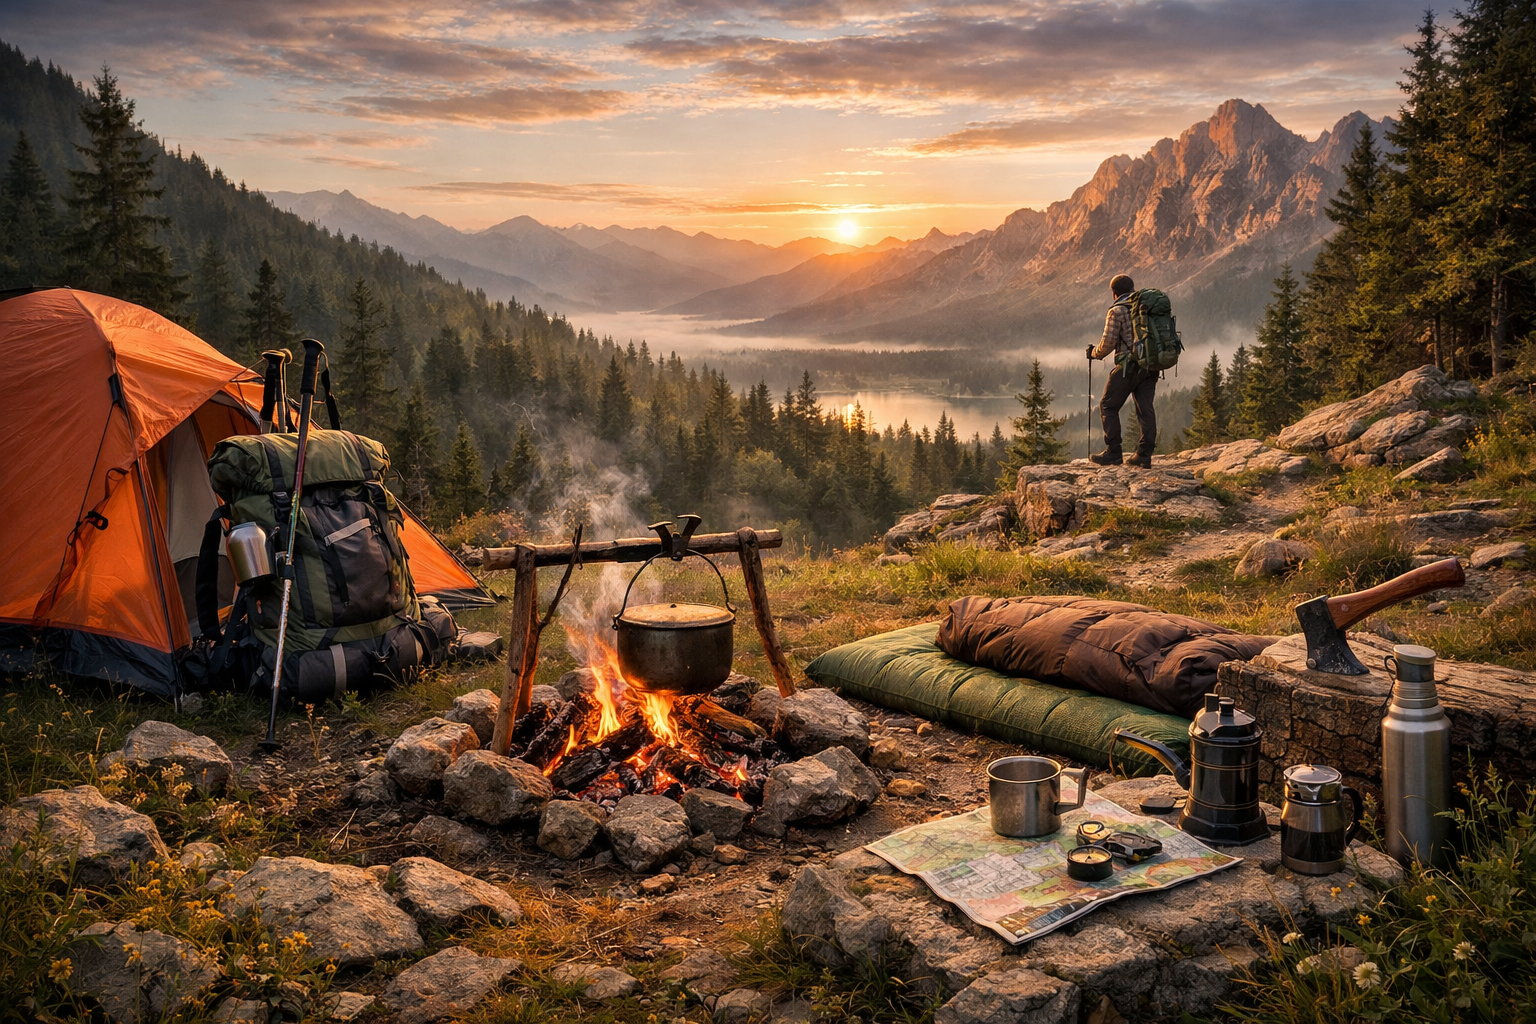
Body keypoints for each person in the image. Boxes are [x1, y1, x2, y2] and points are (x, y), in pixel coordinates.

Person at [1086, 274, 1156, 468]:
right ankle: (1144, 454)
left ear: (1113, 293)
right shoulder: (1146, 306)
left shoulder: (1116, 311)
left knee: (1108, 406)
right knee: (1145, 408)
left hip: (1128, 366)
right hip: (1150, 365)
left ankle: (1114, 453)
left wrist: (1093, 353)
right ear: (1132, 289)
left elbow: (1107, 344)